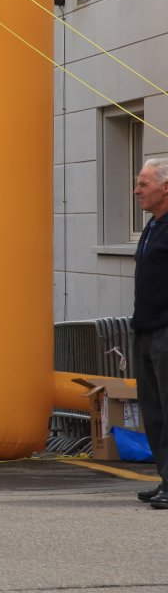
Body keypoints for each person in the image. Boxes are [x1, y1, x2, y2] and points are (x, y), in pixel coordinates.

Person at [131, 158, 168, 508]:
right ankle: (166, 478)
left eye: (144, 184)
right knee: (153, 409)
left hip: (165, 331)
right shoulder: (152, 226)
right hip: (145, 329)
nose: (137, 190)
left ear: (166, 187)